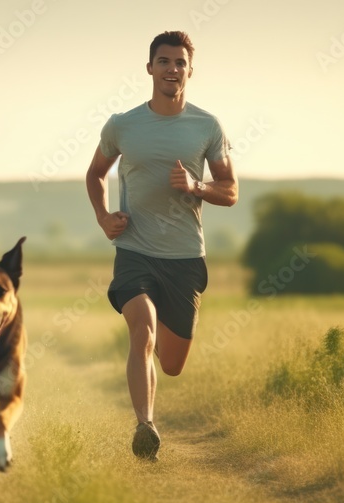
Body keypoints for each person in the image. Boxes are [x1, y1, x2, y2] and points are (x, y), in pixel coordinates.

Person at [85, 30, 239, 460]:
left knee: (170, 362)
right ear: (149, 68)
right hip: (135, 249)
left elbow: (230, 190)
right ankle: (145, 427)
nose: (172, 69)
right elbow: (95, 173)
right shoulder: (123, 125)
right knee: (142, 332)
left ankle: (149, 414)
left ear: (190, 71)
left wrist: (196, 186)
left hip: (185, 256)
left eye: (180, 63)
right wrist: (103, 217)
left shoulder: (207, 126)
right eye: (164, 62)